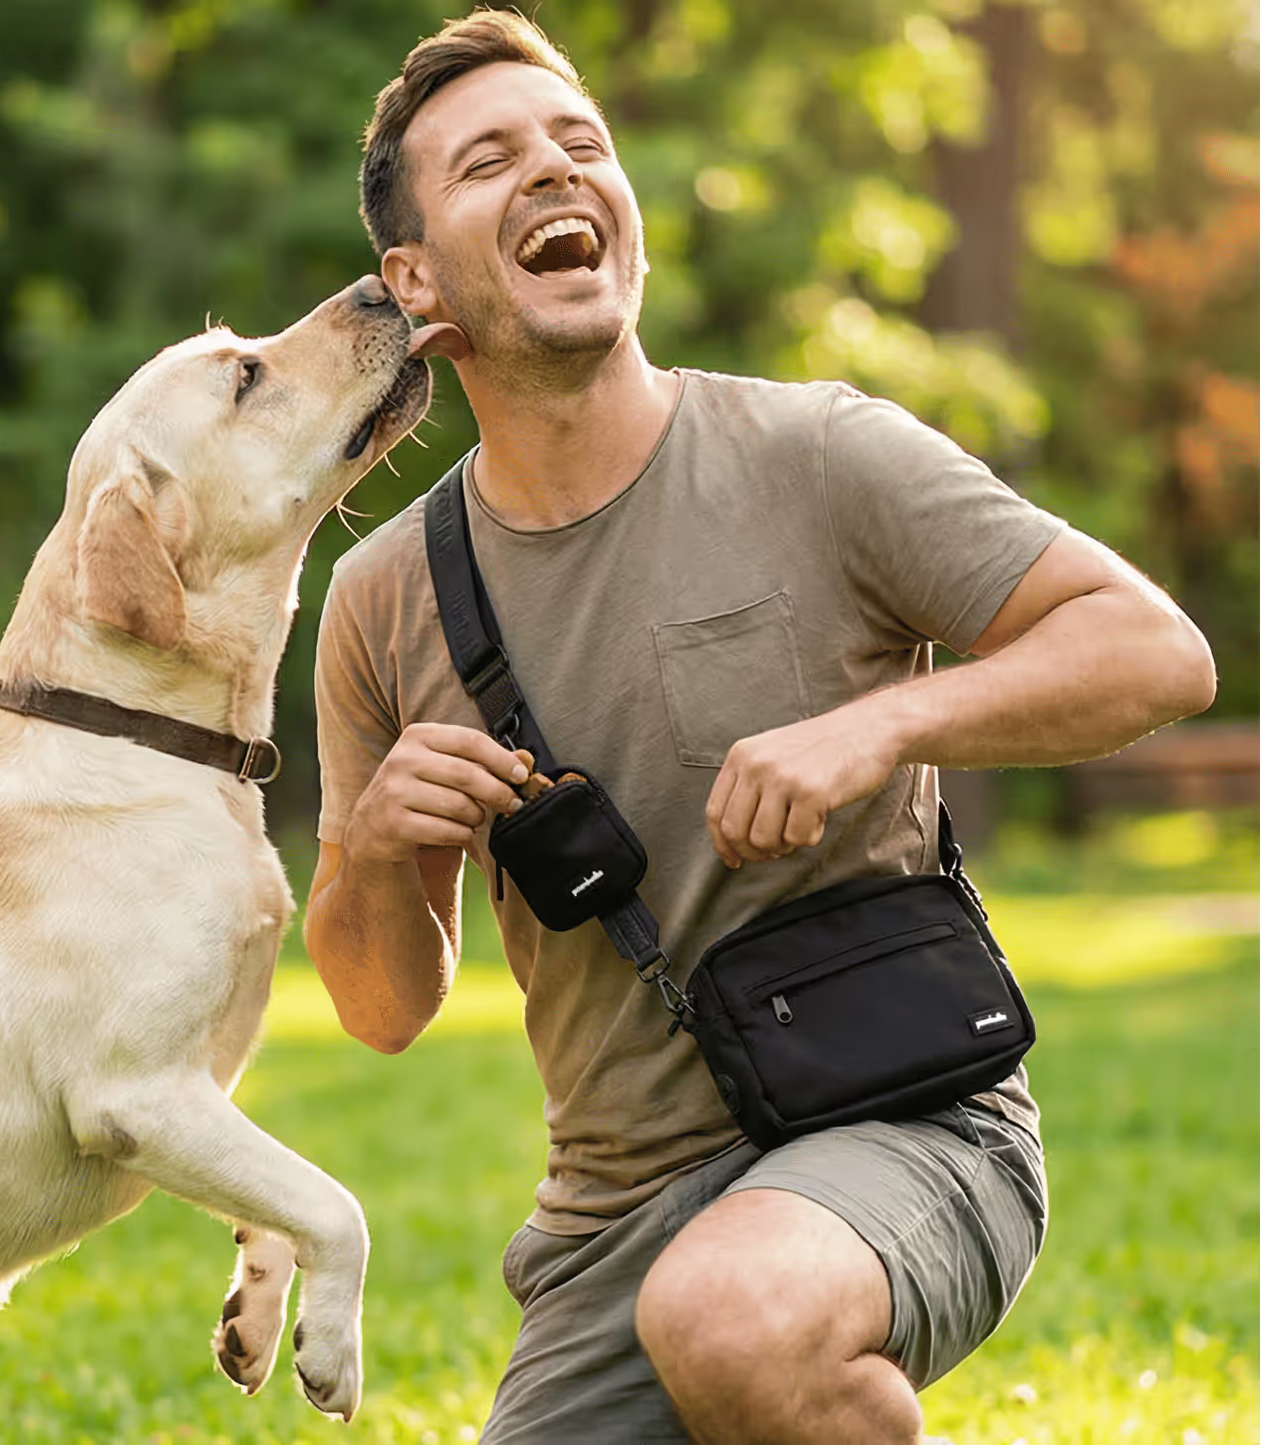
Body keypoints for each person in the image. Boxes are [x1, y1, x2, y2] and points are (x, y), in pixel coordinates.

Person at [303, 11, 1217, 1443]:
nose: (555, 173)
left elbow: (1154, 651)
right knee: (698, 1301)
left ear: (630, 221)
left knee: (734, 1316)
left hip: (909, 1121)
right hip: (611, 1222)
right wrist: (370, 850)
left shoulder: (819, 455)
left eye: (581, 145)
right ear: (414, 282)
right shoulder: (380, 599)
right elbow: (379, 1007)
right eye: (491, 163)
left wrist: (880, 728)